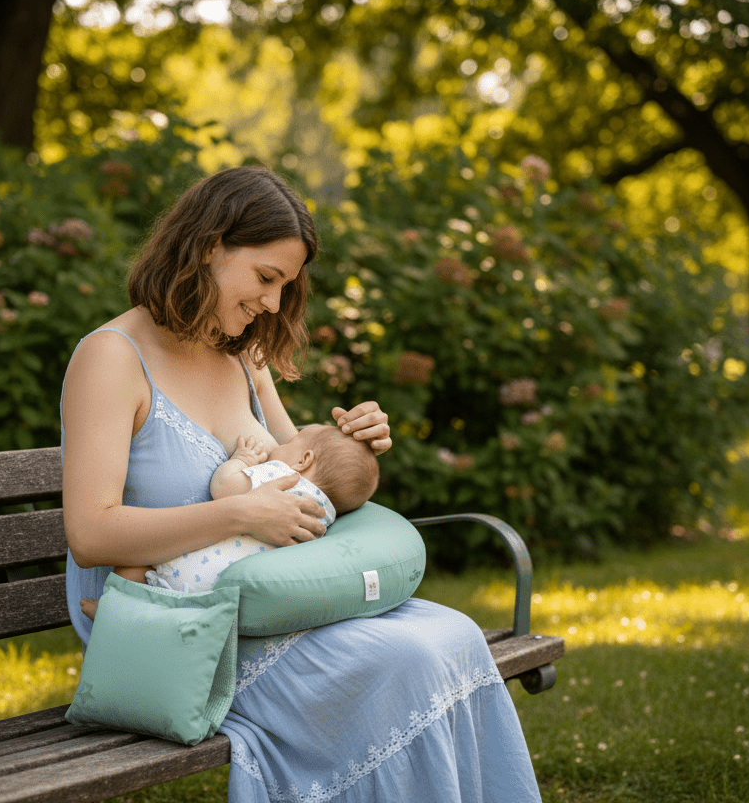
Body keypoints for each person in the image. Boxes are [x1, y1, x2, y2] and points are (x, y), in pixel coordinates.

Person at [61, 165, 540, 801]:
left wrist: (354, 441)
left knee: (452, 636)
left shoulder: (242, 354)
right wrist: (240, 515)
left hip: (267, 600)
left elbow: (298, 471)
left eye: (285, 286)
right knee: (407, 662)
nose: (273, 304)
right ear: (208, 247)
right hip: (171, 622)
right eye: (266, 278)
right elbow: (90, 534)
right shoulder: (111, 358)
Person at [82, 425, 379, 603]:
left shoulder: (282, 476)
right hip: (219, 593)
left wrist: (242, 460)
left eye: (289, 443)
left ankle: (113, 611)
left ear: (303, 460)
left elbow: (224, 487)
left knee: (131, 572)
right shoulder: (323, 515)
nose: (279, 447)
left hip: (185, 566)